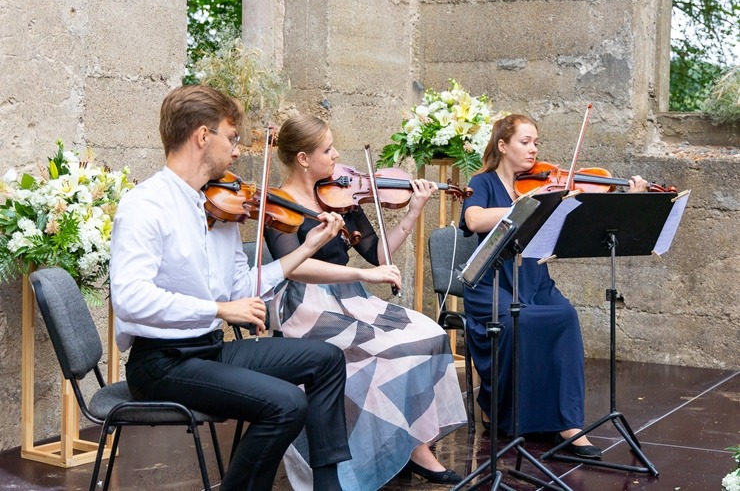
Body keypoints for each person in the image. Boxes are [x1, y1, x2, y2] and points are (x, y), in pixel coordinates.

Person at [109, 85, 352, 491]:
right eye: (233, 138)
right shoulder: (145, 206)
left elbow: (241, 283)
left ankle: (329, 487)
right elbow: (131, 300)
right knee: (286, 404)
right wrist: (220, 311)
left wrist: (308, 247)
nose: (238, 151)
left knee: (326, 359)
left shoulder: (221, 207)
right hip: (162, 364)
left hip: (208, 349)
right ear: (203, 137)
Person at [262, 113, 467, 490]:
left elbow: (377, 254)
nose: (336, 154)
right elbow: (296, 270)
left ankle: (413, 444)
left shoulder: (339, 193)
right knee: (381, 358)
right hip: (307, 308)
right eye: (327, 149)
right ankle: (370, 461)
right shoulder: (279, 205)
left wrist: (413, 212)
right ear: (303, 158)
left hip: (353, 300)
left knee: (431, 335)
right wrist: (359, 273)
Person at [460, 113, 648, 458]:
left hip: (534, 280)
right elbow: (473, 220)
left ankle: (567, 422)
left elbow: (582, 218)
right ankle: (498, 407)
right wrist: (526, 205)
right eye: (524, 142)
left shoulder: (539, 185)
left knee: (564, 317)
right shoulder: (483, 182)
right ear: (502, 146)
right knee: (523, 323)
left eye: (536, 143)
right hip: (493, 283)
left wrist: (631, 200)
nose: (533, 149)